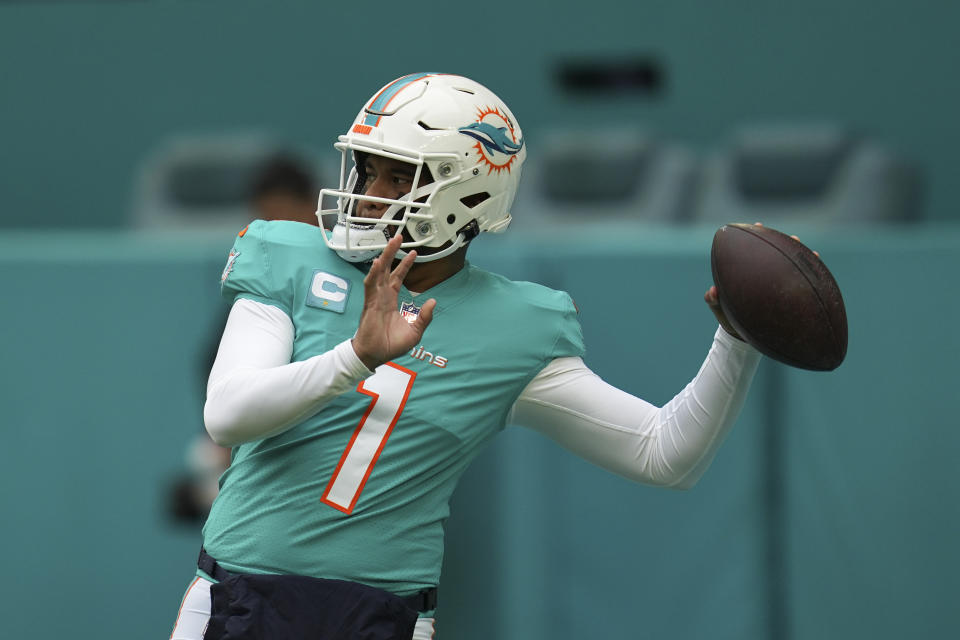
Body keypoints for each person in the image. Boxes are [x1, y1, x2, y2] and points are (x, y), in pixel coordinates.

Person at [169, 73, 762, 640]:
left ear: (468, 193)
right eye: (369, 170)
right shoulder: (291, 255)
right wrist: (354, 358)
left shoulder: (517, 326)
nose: (371, 196)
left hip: (384, 614)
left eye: (399, 179)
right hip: (236, 594)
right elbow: (227, 413)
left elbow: (665, 453)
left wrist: (736, 341)